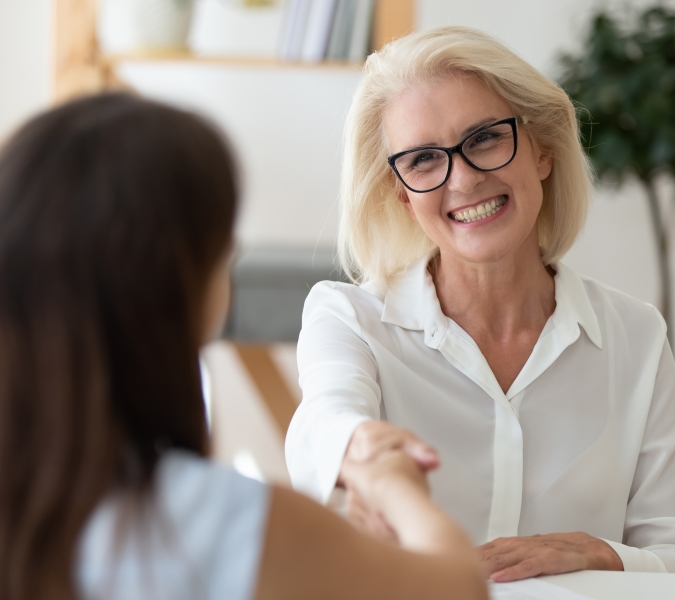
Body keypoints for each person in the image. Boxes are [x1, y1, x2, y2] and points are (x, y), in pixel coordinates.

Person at [0, 93, 488, 600]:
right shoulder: (222, 521)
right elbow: (459, 587)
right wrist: (393, 485)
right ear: (178, 282)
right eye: (222, 242)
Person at [285, 26, 675, 581]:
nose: (462, 179)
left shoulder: (634, 336)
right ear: (402, 194)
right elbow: (324, 422)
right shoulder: (350, 320)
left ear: (542, 149)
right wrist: (365, 454)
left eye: (486, 137)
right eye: (422, 160)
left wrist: (595, 553)